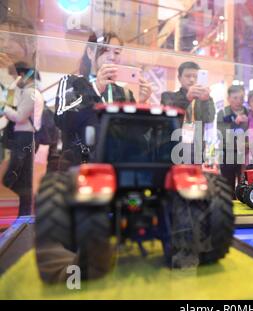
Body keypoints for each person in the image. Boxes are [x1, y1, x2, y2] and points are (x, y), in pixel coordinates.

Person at [54, 31, 152, 170]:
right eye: (105, 50)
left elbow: (134, 137)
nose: (112, 57)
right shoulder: (72, 82)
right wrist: (96, 89)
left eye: (117, 52)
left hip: (114, 169)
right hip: (78, 168)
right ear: (90, 52)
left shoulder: (124, 93)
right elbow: (62, 120)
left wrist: (141, 104)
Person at [0, 62, 44, 216]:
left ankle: (21, 213)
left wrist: (3, 108)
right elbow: (12, 104)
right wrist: (13, 88)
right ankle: (21, 214)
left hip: (23, 137)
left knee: (17, 175)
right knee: (21, 176)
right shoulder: (27, 91)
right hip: (23, 136)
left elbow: (19, 116)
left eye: (15, 75)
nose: (14, 78)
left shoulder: (30, 92)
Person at [160, 61, 215, 163]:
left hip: (196, 151)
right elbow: (170, 113)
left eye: (195, 76)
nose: (192, 79)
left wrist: (205, 101)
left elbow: (209, 119)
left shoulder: (205, 98)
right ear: (179, 78)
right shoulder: (168, 96)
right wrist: (187, 98)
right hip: (173, 148)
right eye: (187, 76)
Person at [216, 85, 248, 196]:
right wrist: (235, 123)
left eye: (241, 98)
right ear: (228, 98)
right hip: (227, 153)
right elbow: (222, 134)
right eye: (235, 98)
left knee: (245, 183)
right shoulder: (223, 113)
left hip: (245, 154)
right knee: (227, 184)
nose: (238, 101)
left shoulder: (248, 113)